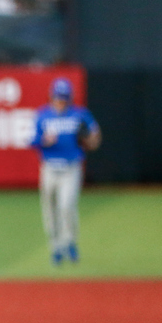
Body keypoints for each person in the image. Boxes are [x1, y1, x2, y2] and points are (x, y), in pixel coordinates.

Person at [32, 77, 101, 265]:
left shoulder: (80, 115)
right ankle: (56, 247)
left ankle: (69, 241)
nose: (61, 101)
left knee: (66, 206)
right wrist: (43, 141)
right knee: (50, 210)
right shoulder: (43, 115)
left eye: (64, 97)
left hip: (71, 168)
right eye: (58, 97)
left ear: (70, 97)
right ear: (52, 96)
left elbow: (95, 137)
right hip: (49, 168)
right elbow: (32, 140)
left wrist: (89, 140)